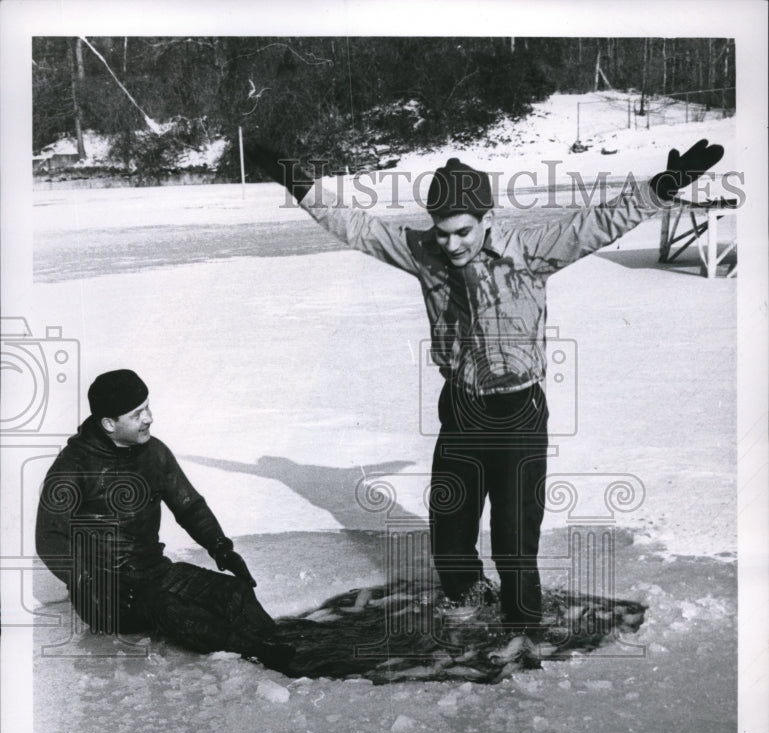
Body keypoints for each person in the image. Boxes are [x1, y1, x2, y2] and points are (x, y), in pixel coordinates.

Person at [243, 136, 723, 665]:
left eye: (463, 232)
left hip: (517, 411)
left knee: (515, 537)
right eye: (443, 233)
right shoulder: (421, 250)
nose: (451, 245)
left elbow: (598, 222)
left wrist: (664, 186)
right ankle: (464, 606)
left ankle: (522, 628)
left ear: (487, 219)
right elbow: (357, 226)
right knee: (449, 528)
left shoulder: (532, 248)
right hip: (463, 406)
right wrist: (298, 182)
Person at [35, 369, 295, 671]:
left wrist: (220, 547)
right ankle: (262, 653)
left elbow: (189, 506)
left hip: (155, 571)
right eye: (137, 414)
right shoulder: (72, 467)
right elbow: (49, 538)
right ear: (109, 423)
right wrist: (88, 580)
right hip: (106, 594)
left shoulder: (153, 453)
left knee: (234, 592)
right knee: (170, 608)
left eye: (147, 407)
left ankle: (283, 645)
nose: (149, 418)